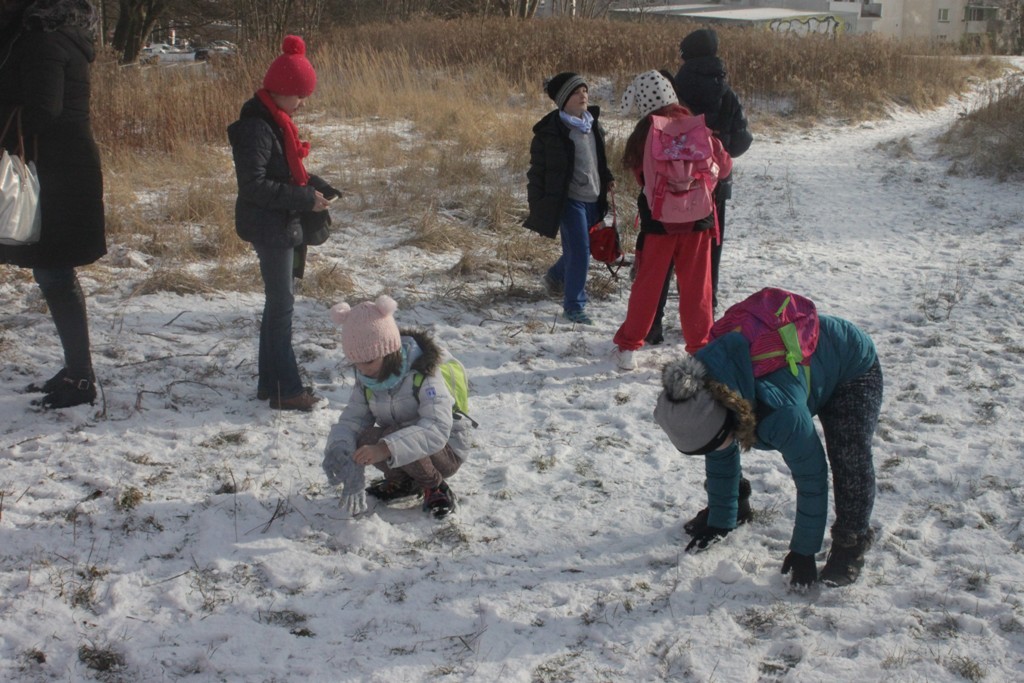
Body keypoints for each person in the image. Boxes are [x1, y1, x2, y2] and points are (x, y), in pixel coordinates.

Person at [653, 309, 883, 588]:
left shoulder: (779, 413)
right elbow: (719, 447)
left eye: (715, 443)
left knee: (849, 456)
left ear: (731, 415)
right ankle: (736, 508)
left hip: (850, 364)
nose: (714, 451)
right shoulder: (702, 389)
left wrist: (803, 550)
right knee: (719, 441)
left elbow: (812, 475)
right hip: (798, 368)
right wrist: (722, 517)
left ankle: (852, 541)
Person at [0, 0, 105, 409]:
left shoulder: (43, 41)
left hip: (59, 175)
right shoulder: (45, 36)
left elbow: (44, 108)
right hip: (56, 169)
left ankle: (81, 378)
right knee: (53, 274)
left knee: (56, 274)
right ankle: (77, 369)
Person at [227, 35, 338, 411]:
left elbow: (286, 172)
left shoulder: (276, 123)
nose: (302, 103)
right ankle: (286, 389)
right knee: (281, 308)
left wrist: (317, 186)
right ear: (282, 90)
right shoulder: (257, 128)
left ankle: (268, 384)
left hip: (280, 224)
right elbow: (255, 185)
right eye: (299, 95)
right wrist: (306, 198)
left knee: (278, 307)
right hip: (270, 227)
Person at [612, 70, 729, 371]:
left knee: (648, 286)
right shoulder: (698, 127)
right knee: (696, 288)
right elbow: (724, 167)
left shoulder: (646, 132)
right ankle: (699, 348)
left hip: (659, 223)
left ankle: (628, 348)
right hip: (698, 221)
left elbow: (639, 174)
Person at [321, 296, 470, 519]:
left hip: (446, 451)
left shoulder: (424, 373)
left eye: (369, 361)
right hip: (402, 444)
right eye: (356, 362)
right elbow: (353, 420)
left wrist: (385, 448)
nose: (362, 369)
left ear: (389, 350)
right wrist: (338, 447)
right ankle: (403, 482)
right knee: (362, 437)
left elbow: (436, 428)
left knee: (393, 435)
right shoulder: (367, 378)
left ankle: (436, 486)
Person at [524, 72, 615, 326]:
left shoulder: (592, 124)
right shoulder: (551, 132)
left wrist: (607, 176)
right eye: (576, 92)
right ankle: (574, 306)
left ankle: (555, 276)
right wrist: (538, 201)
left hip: (592, 197)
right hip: (569, 199)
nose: (583, 95)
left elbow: (598, 158)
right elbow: (538, 170)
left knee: (579, 247)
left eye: (585, 90)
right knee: (580, 251)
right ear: (564, 99)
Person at [674, 28, 752, 312]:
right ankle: (707, 304)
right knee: (712, 243)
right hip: (716, 182)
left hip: (677, 179)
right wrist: (718, 144)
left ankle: (673, 304)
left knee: (678, 244)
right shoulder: (726, 93)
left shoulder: (674, 87)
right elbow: (743, 140)